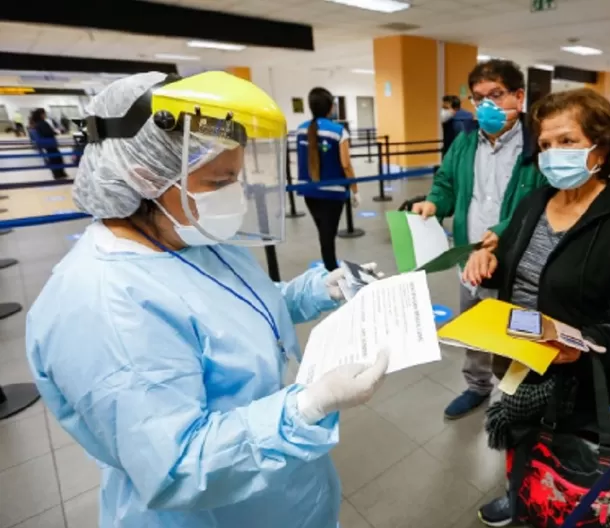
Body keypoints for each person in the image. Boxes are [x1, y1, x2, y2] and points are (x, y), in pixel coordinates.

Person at [26, 71, 389, 528]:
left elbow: (234, 309)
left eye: (236, 178)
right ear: (145, 177)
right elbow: (175, 466)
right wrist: (306, 406)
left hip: (280, 495)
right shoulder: (106, 307)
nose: (234, 195)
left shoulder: (188, 233)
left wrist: (320, 289)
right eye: (219, 182)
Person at [462, 88, 610, 526]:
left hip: (573, 373)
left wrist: (583, 344)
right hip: (516, 351)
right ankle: (519, 497)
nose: (553, 154)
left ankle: (558, 505)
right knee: (517, 434)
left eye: (567, 141)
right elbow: (512, 268)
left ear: (601, 147)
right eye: (546, 144)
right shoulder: (535, 203)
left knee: (559, 448)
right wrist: (487, 261)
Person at [411, 59, 548, 420]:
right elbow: (445, 184)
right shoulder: (465, 143)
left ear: (518, 97)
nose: (487, 105)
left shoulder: (537, 146)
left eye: (496, 95)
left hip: (516, 261)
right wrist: (433, 204)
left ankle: (520, 395)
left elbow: (541, 203)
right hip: (469, 257)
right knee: (474, 326)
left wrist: (502, 233)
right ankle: (477, 385)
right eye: (478, 98)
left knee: (518, 329)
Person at [296, 87, 360, 271]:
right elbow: (346, 164)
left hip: (308, 190)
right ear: (331, 107)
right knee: (328, 233)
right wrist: (355, 190)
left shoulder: (301, 130)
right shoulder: (338, 130)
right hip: (333, 192)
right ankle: (331, 270)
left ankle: (329, 266)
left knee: (324, 232)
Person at [29, 108, 68, 179]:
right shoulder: (42, 123)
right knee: (56, 158)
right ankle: (59, 174)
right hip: (50, 144)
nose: (45, 115)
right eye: (44, 113)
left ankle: (59, 174)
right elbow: (47, 133)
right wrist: (56, 132)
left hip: (46, 144)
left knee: (54, 158)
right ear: (41, 115)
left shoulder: (37, 123)